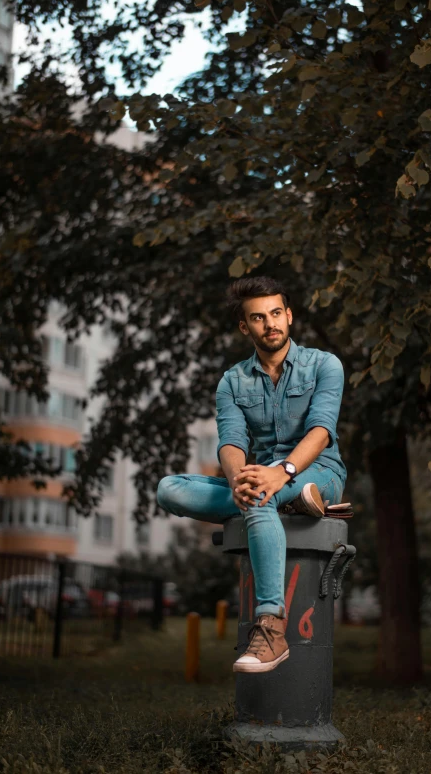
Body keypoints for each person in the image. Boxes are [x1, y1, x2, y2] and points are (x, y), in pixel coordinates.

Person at [157, 277, 346, 674]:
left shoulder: (325, 365)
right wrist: (239, 479)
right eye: (258, 318)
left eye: (276, 313)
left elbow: (321, 430)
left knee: (262, 495)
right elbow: (230, 443)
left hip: (318, 472)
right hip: (261, 478)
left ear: (289, 316)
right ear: (245, 327)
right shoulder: (232, 381)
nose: (270, 323)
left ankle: (271, 628)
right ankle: (290, 501)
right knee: (169, 489)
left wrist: (283, 473)